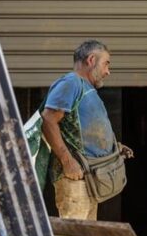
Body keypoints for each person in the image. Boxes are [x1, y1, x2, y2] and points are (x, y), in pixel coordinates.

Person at [40, 40, 120, 220]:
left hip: (89, 179)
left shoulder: (86, 89)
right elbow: (48, 120)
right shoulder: (71, 83)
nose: (108, 71)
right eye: (106, 63)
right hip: (74, 178)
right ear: (91, 60)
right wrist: (67, 161)